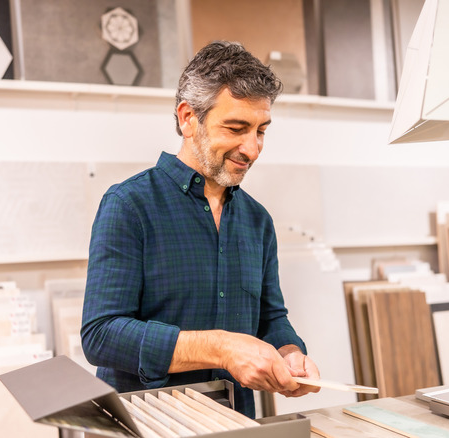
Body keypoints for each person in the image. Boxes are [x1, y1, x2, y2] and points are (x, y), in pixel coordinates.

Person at [81, 40, 320, 419]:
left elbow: (270, 319)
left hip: (235, 420)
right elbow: (102, 336)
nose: (253, 149)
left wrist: (290, 353)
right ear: (188, 118)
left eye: (261, 130)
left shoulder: (257, 220)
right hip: (151, 422)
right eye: (237, 128)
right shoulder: (129, 205)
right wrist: (220, 348)